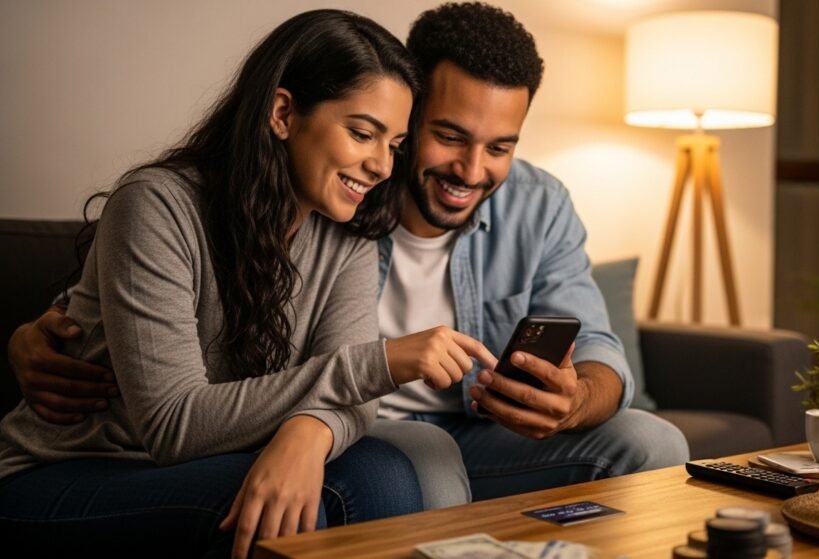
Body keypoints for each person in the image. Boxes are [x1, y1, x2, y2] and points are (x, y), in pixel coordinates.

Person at [8, 2, 689, 511]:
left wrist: (573, 400)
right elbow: (167, 378)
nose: (471, 168)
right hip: (136, 456)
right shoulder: (298, 204)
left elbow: (597, 348)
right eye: (448, 136)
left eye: (500, 146)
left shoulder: (355, 218)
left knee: (654, 442)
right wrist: (29, 335)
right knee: (393, 472)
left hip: (399, 432)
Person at [0, 9, 498, 558]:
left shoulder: (348, 235)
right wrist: (379, 364)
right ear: (283, 113)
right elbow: (173, 424)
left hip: (220, 456)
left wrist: (307, 432)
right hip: (70, 470)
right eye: (363, 134)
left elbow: (354, 405)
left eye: (395, 144)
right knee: (292, 510)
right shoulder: (156, 206)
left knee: (384, 473)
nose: (382, 165)